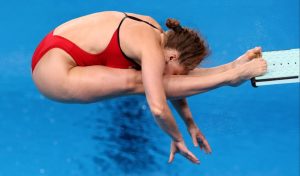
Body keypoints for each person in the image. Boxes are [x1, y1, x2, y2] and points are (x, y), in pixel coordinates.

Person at [31, 11, 267, 164]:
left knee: (149, 78)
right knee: (138, 82)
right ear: (173, 57)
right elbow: (157, 106)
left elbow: (168, 81)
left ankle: (232, 68)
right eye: (180, 73)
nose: (178, 78)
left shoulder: (154, 31)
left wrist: (190, 124)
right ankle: (232, 76)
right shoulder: (152, 50)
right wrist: (176, 137)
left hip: (51, 51)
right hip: (53, 76)